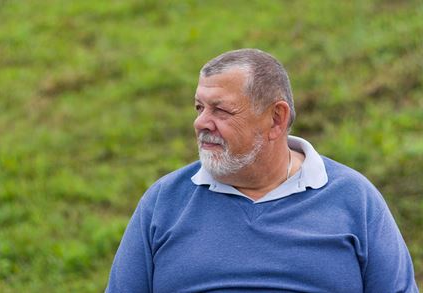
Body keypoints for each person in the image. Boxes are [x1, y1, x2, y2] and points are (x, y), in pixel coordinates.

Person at [105, 49, 419, 292]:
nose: (200, 122)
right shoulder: (164, 202)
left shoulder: (354, 198)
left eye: (221, 110)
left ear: (276, 119)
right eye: (199, 108)